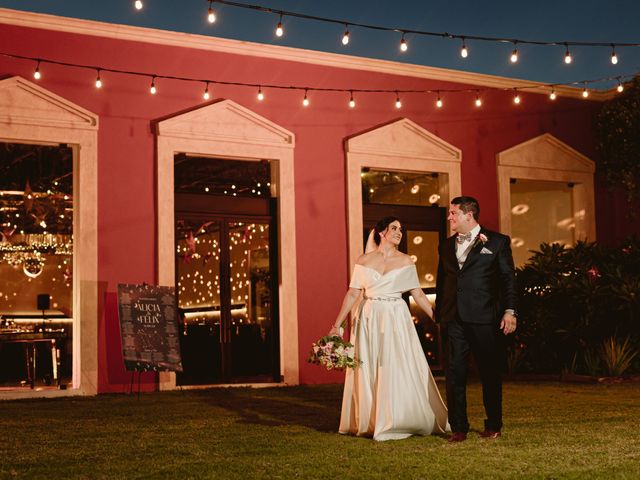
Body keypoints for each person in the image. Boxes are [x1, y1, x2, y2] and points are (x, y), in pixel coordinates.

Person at [329, 216, 449, 441]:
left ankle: (399, 416)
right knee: (368, 363)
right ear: (381, 232)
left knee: (395, 363)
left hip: (395, 316)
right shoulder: (363, 260)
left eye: (401, 229)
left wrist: (438, 320)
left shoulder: (405, 261)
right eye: (394, 228)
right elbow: (354, 293)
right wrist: (337, 325)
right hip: (369, 316)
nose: (399, 232)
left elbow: (418, 294)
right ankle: (370, 418)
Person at [435, 196, 517, 443]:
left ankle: (493, 424)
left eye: (453, 213)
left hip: (484, 318)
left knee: (489, 372)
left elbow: (508, 280)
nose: (449, 217)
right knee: (454, 373)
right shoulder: (446, 245)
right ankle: (459, 427)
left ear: (468, 215)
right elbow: (443, 281)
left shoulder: (498, 242)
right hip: (453, 319)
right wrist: (440, 313)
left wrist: (510, 311)